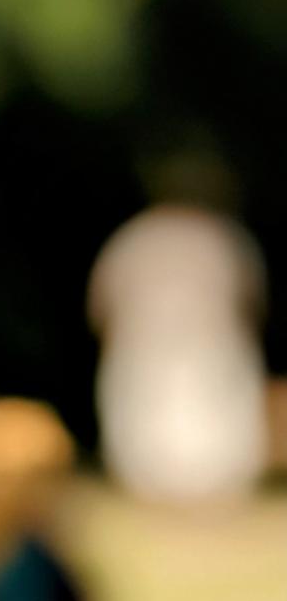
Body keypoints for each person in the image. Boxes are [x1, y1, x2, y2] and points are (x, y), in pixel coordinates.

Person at [91, 161, 270, 504]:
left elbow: (102, 304)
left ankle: (178, 484)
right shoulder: (221, 237)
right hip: (177, 343)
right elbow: (251, 303)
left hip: (181, 344)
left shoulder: (138, 237)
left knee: (175, 409)